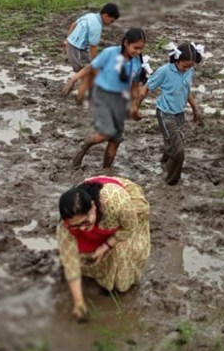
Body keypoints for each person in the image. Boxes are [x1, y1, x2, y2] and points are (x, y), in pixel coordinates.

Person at [57, 176, 151, 322]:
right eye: (75, 225)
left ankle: (116, 282)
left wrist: (104, 247)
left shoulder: (117, 202)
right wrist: (79, 303)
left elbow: (129, 227)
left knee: (122, 249)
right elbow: (70, 262)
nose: (82, 228)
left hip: (124, 207)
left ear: (93, 207)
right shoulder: (65, 227)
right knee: (82, 254)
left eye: (85, 221)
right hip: (104, 217)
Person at [70, 28, 146, 170]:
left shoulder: (137, 62)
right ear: (126, 43)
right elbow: (90, 68)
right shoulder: (110, 53)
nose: (138, 52)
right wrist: (73, 79)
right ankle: (85, 145)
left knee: (115, 140)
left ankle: (105, 170)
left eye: (141, 49)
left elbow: (135, 87)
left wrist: (135, 106)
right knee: (108, 133)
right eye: (135, 48)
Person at [140, 41, 203, 185]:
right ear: (177, 59)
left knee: (172, 141)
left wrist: (194, 108)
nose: (187, 69)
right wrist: (135, 108)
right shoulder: (164, 71)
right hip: (165, 113)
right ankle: (172, 180)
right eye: (185, 65)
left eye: (190, 66)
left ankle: (164, 163)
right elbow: (146, 88)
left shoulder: (189, 71)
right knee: (178, 149)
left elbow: (186, 91)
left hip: (180, 113)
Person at [62, 2, 120, 74]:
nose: (111, 23)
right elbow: (93, 47)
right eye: (111, 21)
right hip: (76, 48)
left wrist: (67, 40)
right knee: (79, 69)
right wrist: (95, 64)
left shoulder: (90, 15)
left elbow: (73, 25)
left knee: (86, 64)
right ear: (106, 16)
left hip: (77, 45)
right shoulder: (97, 26)